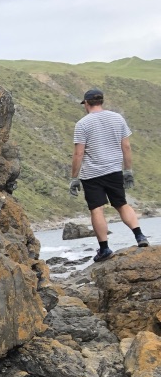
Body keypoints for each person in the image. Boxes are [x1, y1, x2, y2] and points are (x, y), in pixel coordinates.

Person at [69, 88, 147, 262]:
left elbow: (78, 154)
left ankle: (104, 249)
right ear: (101, 102)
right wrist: (128, 171)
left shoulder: (82, 124)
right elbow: (126, 147)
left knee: (97, 209)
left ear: (87, 103)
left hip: (92, 175)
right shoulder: (117, 118)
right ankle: (140, 236)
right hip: (114, 170)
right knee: (122, 204)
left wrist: (74, 178)